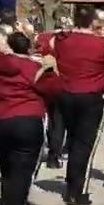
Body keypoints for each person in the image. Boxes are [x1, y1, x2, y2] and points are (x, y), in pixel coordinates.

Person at [0, 31, 64, 205]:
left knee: (7, 166)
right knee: (23, 170)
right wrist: (52, 70)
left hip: (0, 120)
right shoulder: (34, 67)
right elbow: (55, 89)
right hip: (28, 120)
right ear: (28, 48)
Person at [51, 5, 104, 205]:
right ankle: (76, 190)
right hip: (90, 96)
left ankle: (72, 184)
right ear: (94, 22)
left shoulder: (59, 40)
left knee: (74, 140)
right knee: (84, 144)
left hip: (65, 93)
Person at [35, 21, 68, 168]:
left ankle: (48, 149)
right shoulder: (64, 44)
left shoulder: (42, 40)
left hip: (44, 84)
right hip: (59, 84)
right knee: (58, 121)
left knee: (49, 120)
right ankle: (54, 155)